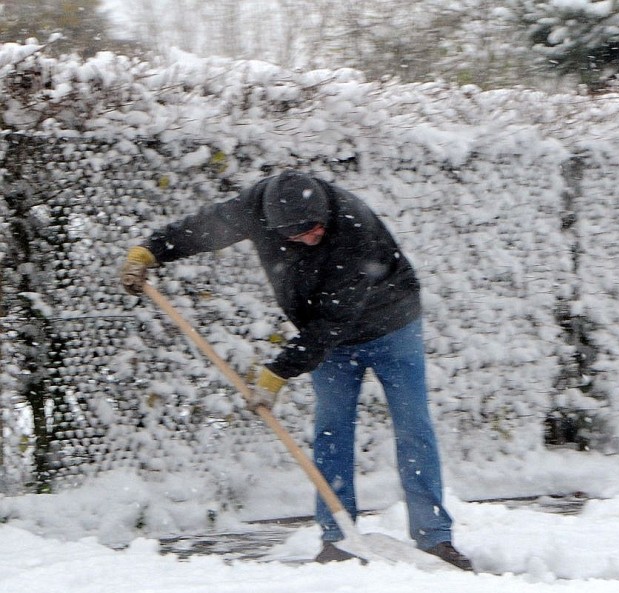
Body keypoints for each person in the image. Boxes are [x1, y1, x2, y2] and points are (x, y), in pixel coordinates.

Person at [121, 170, 472, 570]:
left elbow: (332, 321)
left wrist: (278, 373)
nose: (313, 237)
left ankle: (435, 539)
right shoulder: (255, 209)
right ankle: (338, 539)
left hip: (391, 327)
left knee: (413, 427)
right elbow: (204, 229)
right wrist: (150, 251)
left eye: (318, 228)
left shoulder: (353, 225)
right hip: (329, 341)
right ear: (273, 225)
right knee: (331, 432)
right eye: (302, 233)